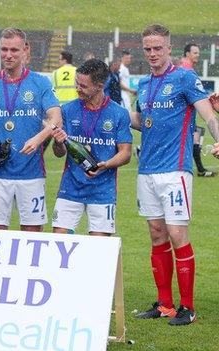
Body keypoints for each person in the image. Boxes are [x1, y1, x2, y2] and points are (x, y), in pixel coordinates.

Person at [131, 24, 219, 326]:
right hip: (147, 171)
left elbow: (207, 114)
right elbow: (145, 121)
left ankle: (188, 307)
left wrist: (218, 137)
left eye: (158, 48)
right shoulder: (143, 84)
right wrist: (105, 110)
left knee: (178, 234)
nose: (153, 54)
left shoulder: (184, 78)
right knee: (156, 235)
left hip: (175, 170)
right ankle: (165, 304)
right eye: (148, 49)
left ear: (169, 48)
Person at [0, 27, 62, 231]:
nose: (8, 55)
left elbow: (55, 117)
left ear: (25, 50)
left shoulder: (40, 82)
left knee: (32, 236)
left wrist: (38, 139)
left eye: (14, 50)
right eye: (4, 49)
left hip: (31, 172)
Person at [51, 58, 132, 236]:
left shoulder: (119, 113)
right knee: (58, 244)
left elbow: (126, 153)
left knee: (100, 251)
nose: (77, 88)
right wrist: (58, 142)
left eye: (83, 86)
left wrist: (107, 164)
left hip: (103, 190)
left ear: (99, 85)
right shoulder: (68, 110)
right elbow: (59, 153)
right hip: (70, 188)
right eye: (76, 84)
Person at [180, 43, 215, 177]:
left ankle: (200, 169)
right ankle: (199, 170)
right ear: (187, 53)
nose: (197, 55)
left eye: (198, 53)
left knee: (196, 136)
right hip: (184, 115)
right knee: (195, 137)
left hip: (187, 115)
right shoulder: (186, 70)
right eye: (195, 52)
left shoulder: (187, 69)